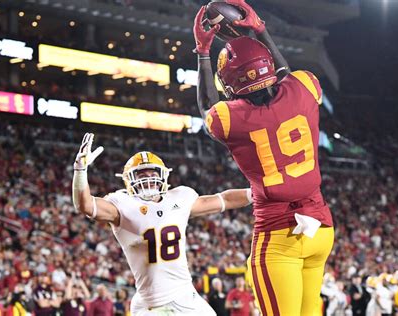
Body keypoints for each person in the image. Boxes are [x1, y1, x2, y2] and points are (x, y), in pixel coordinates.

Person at [193, 1, 334, 314]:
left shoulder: (234, 119)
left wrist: (203, 53)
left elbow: (207, 110)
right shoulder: (305, 87)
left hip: (279, 233)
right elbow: (285, 74)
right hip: (321, 228)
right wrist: (260, 30)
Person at [72, 133, 252, 315]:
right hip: (151, 304)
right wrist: (80, 171)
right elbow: (85, 205)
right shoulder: (122, 204)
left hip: (185, 295)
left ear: (163, 176)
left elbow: (222, 200)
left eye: (153, 174)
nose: (149, 179)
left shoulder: (179, 198)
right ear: (129, 179)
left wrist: (255, 192)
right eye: (141, 174)